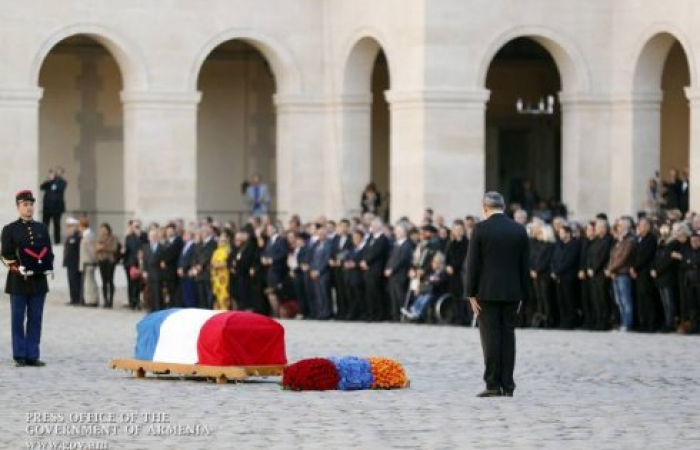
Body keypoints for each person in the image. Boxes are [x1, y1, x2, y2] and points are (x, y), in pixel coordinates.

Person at [465, 192, 529, 398]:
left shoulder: (481, 229)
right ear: (504, 206)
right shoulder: (519, 230)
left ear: (485, 208)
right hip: (512, 293)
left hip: (487, 292)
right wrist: (523, 294)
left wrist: (470, 294)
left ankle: (493, 384)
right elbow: (525, 266)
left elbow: (473, 264)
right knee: (508, 338)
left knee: (490, 338)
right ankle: (508, 385)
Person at [1, 190, 54, 367]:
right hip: (18, 281)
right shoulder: (10, 229)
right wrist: (17, 267)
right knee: (18, 318)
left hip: (38, 281)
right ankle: (19, 354)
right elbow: (5, 255)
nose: (29, 208)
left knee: (36, 319)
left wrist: (48, 266)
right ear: (18, 207)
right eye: (25, 204)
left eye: (31, 204)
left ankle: (32, 354)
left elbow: (48, 250)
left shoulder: (41, 228)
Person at [606, 217, 637, 332]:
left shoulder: (630, 240)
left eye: (619, 225)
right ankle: (622, 322)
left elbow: (624, 257)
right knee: (619, 301)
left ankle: (627, 323)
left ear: (625, 226)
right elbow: (612, 256)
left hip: (623, 273)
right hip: (615, 273)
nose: (617, 228)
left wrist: (611, 269)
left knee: (625, 300)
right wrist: (610, 269)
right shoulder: (619, 240)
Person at [402, 252, 449, 321]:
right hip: (428, 291)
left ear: (439, 263)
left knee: (426, 297)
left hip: (437, 293)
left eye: (435, 262)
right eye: (433, 262)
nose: (433, 264)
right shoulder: (431, 272)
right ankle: (413, 309)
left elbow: (440, 282)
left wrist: (433, 281)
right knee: (421, 296)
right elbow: (427, 279)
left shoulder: (443, 273)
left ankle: (417, 313)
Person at [361, 217, 390, 321]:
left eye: (373, 225)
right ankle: (371, 313)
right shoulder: (370, 238)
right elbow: (365, 250)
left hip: (376, 269)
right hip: (367, 269)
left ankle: (379, 314)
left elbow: (377, 252)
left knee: (376, 293)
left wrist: (367, 261)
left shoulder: (383, 239)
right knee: (369, 293)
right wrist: (363, 260)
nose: (371, 227)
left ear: (379, 226)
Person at [631, 217, 658, 332]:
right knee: (640, 298)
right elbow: (634, 254)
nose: (639, 228)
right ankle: (643, 322)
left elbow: (645, 256)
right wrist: (632, 268)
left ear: (647, 226)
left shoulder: (651, 239)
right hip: (637, 272)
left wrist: (635, 268)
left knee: (648, 298)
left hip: (645, 272)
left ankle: (651, 323)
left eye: (641, 225)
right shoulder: (639, 239)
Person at [384, 223, 413, 322]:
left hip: (400, 274)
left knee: (400, 296)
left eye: (397, 231)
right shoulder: (395, 244)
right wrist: (387, 268)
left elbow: (402, 259)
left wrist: (392, 269)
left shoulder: (406, 245)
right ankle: (395, 316)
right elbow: (391, 258)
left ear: (403, 233)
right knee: (393, 296)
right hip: (392, 275)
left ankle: (402, 316)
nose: (395, 233)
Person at [39, 167, 67, 243]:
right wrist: (49, 180)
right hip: (47, 207)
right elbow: (41, 187)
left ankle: (57, 241)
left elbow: (59, 188)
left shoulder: (63, 182)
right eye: (56, 171)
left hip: (57, 208)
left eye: (59, 172)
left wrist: (53, 181)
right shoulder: (49, 182)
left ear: (62, 173)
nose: (57, 173)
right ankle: (44, 241)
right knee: (45, 225)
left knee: (56, 225)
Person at [95, 222, 119, 308]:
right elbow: (96, 249)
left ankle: (111, 300)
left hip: (110, 261)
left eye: (104, 229)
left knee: (110, 280)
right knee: (104, 281)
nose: (102, 231)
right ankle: (105, 300)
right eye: (101, 229)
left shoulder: (113, 237)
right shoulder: (99, 238)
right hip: (102, 261)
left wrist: (103, 248)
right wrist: (98, 249)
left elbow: (114, 248)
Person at [141, 228, 164, 311]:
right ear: (148, 237)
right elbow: (144, 260)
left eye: (155, 236)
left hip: (158, 273)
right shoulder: (145, 247)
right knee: (150, 292)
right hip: (149, 273)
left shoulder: (162, 247)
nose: (153, 237)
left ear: (157, 237)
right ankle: (151, 308)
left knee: (157, 293)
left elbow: (164, 260)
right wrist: (144, 271)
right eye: (151, 236)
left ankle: (158, 309)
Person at [79, 217, 99, 307]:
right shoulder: (85, 235)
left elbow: (92, 250)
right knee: (88, 282)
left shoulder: (89, 235)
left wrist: (94, 260)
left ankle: (92, 300)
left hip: (89, 261)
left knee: (90, 282)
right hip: (85, 262)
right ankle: (89, 299)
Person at [63, 217, 82, 306]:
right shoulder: (69, 237)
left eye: (70, 226)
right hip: (69, 263)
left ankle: (77, 299)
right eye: (68, 226)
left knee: (75, 282)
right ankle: (73, 298)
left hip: (75, 263)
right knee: (71, 281)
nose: (68, 228)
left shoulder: (78, 236)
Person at [211, 233, 232, 310]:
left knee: (224, 295)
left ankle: (225, 310)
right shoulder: (216, 251)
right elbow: (212, 262)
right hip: (216, 276)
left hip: (224, 276)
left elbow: (227, 262)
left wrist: (218, 265)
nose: (220, 242)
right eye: (219, 241)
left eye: (223, 241)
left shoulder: (228, 250)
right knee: (217, 295)